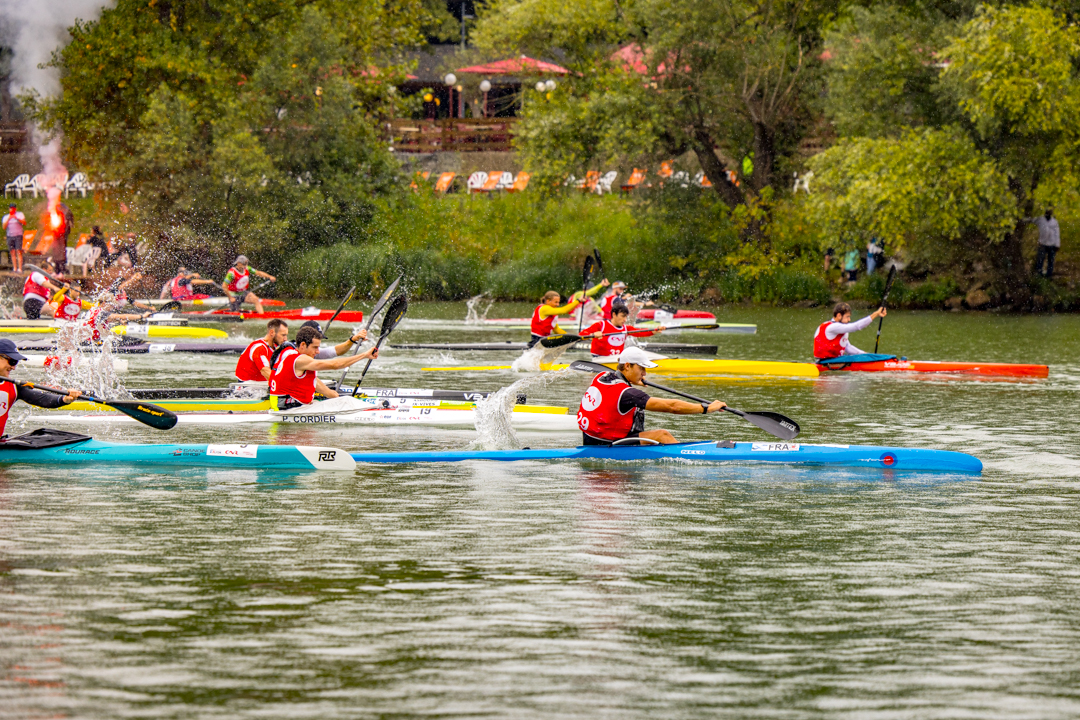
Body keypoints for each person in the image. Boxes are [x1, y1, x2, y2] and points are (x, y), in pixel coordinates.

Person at [576, 346, 727, 445]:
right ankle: (691, 459)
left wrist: (632, 382)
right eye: (641, 368)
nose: (644, 374)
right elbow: (672, 407)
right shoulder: (628, 394)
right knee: (662, 435)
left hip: (591, 439)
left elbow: (614, 394)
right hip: (609, 444)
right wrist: (706, 408)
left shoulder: (602, 376)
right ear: (627, 366)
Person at [268, 326, 378, 409]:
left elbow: (314, 381)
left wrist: (333, 395)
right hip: (288, 408)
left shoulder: (299, 358)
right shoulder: (300, 359)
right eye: (315, 347)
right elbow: (335, 365)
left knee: (341, 400)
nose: (318, 351)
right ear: (302, 345)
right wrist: (364, 355)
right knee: (347, 402)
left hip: (288, 406)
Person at [0, 338, 81, 437]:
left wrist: (64, 399)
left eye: (16, 363)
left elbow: (43, 399)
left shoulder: (14, 387)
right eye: (12, 361)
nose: (14, 367)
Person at [528, 279, 609, 348]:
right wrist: (578, 301)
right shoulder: (544, 308)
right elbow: (564, 310)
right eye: (555, 302)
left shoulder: (552, 312)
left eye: (558, 302)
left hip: (544, 340)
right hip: (537, 340)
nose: (557, 304)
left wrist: (572, 338)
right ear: (548, 301)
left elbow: (556, 330)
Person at [581, 304, 664, 358]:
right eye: (622, 316)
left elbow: (640, 332)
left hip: (616, 360)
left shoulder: (626, 328)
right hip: (599, 360)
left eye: (626, 317)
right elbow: (582, 334)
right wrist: (593, 334)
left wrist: (655, 330)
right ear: (614, 314)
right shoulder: (600, 325)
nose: (625, 319)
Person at [813, 302, 887, 360]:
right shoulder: (832, 327)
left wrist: (866, 355)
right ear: (839, 316)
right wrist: (876, 314)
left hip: (834, 361)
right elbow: (857, 326)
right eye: (847, 317)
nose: (849, 319)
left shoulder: (841, 329)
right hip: (825, 362)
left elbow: (848, 348)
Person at [1026, 209, 1060, 278]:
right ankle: (1039, 274)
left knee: (1051, 260)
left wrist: (1057, 244)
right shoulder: (1040, 219)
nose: (1049, 212)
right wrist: (1024, 219)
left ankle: (1049, 275)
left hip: (1052, 244)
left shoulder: (1054, 221)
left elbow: (1057, 233)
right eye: (1048, 211)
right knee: (1040, 259)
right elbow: (1032, 220)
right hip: (1042, 243)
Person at [3, 204, 26, 272]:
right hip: (10, 236)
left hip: (18, 235)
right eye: (11, 208)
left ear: (15, 209)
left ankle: (20, 268)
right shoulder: (6, 217)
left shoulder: (20, 214)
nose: (12, 210)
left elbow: (24, 222)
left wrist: (16, 218)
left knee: (19, 251)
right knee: (12, 252)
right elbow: (4, 227)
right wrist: (9, 218)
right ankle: (15, 268)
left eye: (13, 208)